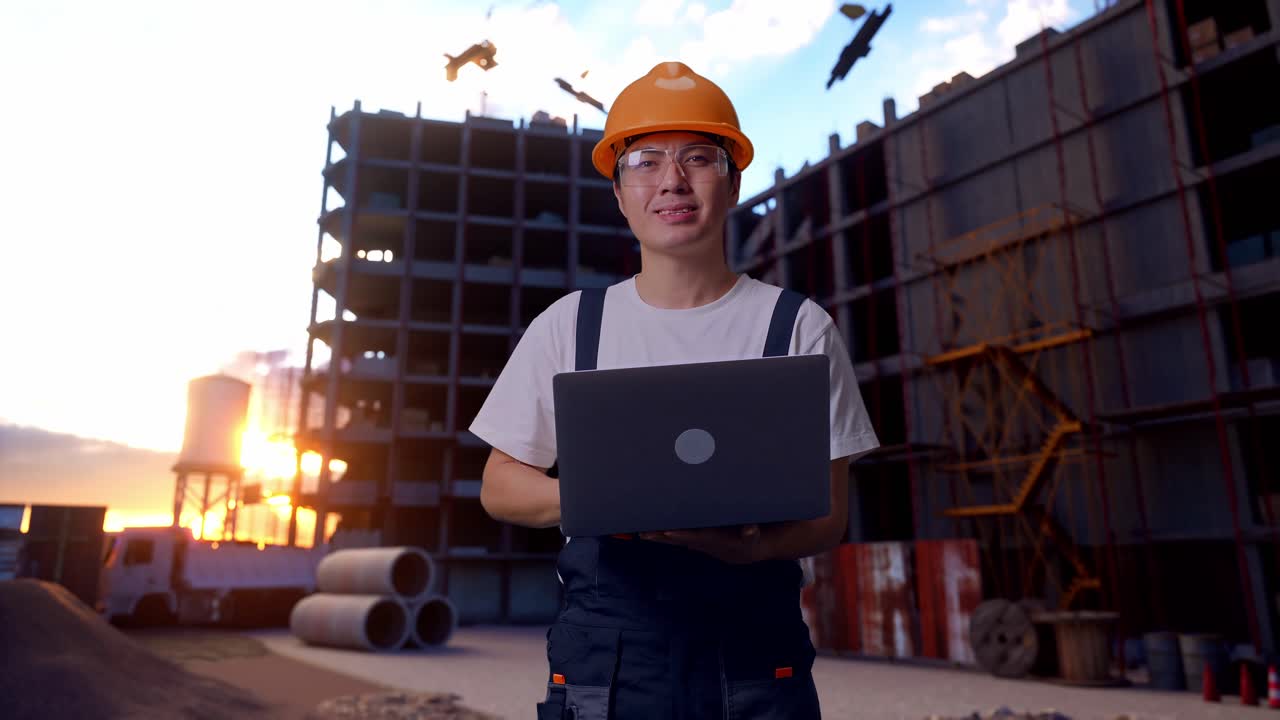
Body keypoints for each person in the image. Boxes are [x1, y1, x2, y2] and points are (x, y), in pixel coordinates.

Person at [469, 61, 879, 720]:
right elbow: (500, 483)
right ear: (620, 192)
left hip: (753, 664)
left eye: (699, 158)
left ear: (734, 181)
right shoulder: (573, 327)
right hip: (610, 662)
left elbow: (829, 514)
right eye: (646, 162)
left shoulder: (797, 326)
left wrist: (750, 546)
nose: (672, 181)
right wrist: (609, 500)